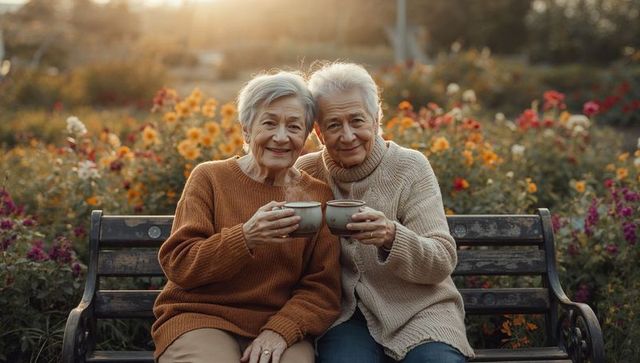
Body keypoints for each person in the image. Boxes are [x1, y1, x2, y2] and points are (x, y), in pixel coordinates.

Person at [152, 71, 342, 363]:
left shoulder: (317, 195)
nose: (281, 137)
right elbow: (180, 264)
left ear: (305, 136)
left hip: (278, 324)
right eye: (269, 123)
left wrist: (281, 330)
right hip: (202, 318)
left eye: (293, 126)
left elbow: (322, 288)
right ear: (246, 131)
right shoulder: (210, 178)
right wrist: (246, 237)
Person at [295, 63, 474, 363]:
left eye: (357, 120)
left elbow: (441, 259)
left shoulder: (410, 167)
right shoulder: (306, 172)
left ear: (377, 119)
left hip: (420, 311)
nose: (348, 135)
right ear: (318, 131)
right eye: (334, 125)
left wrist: (392, 236)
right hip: (345, 318)